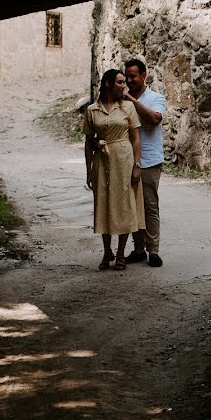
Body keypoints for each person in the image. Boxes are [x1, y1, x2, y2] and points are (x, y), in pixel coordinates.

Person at [84, 69, 145, 270]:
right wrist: (88, 169)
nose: (124, 85)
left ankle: (120, 254)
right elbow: (88, 142)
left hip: (124, 159)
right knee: (103, 203)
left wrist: (137, 166)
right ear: (108, 84)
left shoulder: (128, 107)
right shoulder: (92, 110)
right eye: (119, 82)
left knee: (124, 204)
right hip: (102, 160)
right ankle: (107, 251)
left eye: (124, 82)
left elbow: (136, 139)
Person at [120, 59, 167, 267]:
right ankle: (138, 249)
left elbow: (153, 119)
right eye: (127, 77)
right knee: (132, 207)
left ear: (143, 76)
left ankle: (153, 250)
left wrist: (130, 99)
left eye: (133, 77)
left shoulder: (156, 98)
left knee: (149, 206)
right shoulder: (120, 102)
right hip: (127, 161)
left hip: (149, 160)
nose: (129, 80)